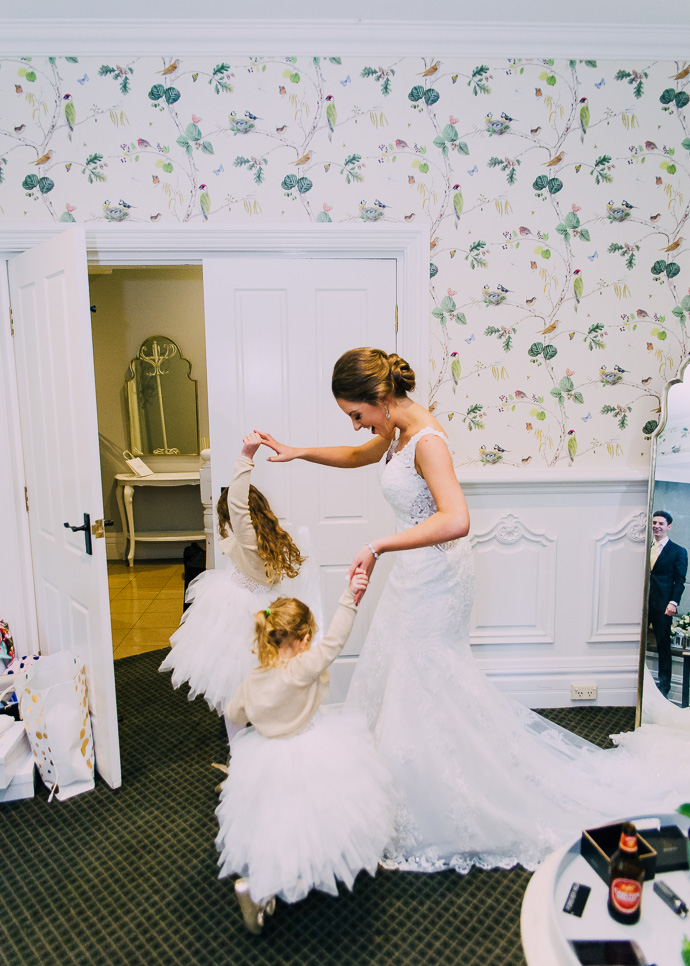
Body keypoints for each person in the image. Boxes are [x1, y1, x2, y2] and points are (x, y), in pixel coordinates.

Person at [258, 347, 690, 876]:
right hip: (417, 572)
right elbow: (358, 457)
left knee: (427, 679)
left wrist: (378, 544)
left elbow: (456, 518)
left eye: (357, 415)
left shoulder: (427, 441)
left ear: (382, 399)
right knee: (405, 677)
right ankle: (398, 789)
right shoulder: (394, 430)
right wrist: (296, 451)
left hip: (437, 576)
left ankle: (444, 797)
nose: (356, 427)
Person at [215, 569, 394, 934]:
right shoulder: (300, 670)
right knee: (315, 817)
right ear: (303, 639)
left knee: (271, 822)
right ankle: (302, 870)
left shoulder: (253, 679)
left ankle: (258, 886)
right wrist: (350, 596)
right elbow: (336, 642)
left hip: (265, 757)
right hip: (310, 748)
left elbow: (233, 713)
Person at [159, 432, 308, 742]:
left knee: (234, 684)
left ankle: (240, 743)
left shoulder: (249, 538)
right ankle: (255, 732)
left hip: (237, 607)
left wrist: (246, 455)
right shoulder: (269, 540)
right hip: (259, 602)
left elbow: (238, 505)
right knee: (253, 680)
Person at [648, 510, 688, 697]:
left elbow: (679, 580)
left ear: (668, 527)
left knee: (663, 646)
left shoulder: (678, 551)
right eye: (654, 522)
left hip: (663, 605)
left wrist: (673, 602)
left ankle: (664, 687)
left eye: (661, 523)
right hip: (642, 604)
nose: (656, 526)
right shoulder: (645, 546)